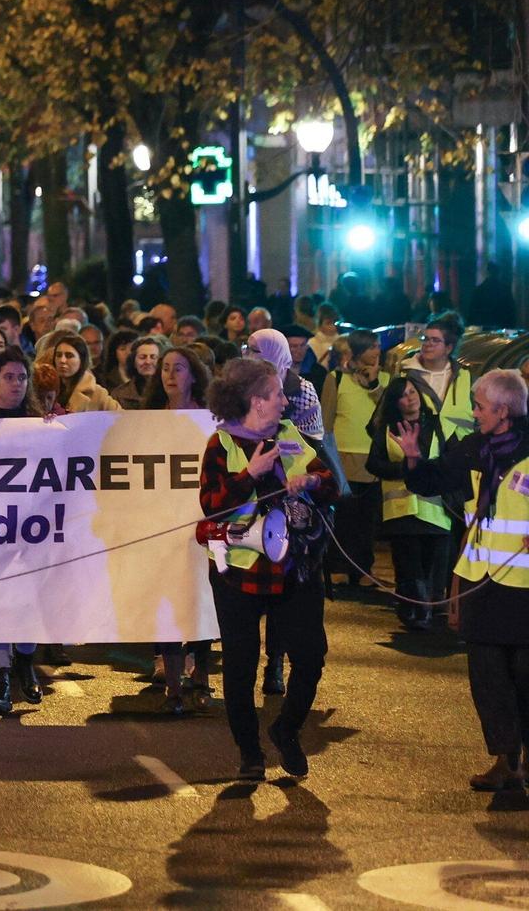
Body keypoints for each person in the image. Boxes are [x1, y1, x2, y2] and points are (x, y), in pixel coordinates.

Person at [198, 356, 338, 781]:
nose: (284, 400)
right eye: (277, 394)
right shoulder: (220, 445)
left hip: (294, 566)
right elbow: (211, 506)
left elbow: (331, 482)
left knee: (311, 655)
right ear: (256, 400)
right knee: (240, 664)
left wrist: (312, 481)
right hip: (239, 571)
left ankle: (287, 729)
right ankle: (249, 752)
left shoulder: (291, 433)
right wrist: (250, 474)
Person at [396, 369, 529, 792]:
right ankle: (507, 763)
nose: (473, 413)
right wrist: (413, 457)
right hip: (482, 582)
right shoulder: (475, 448)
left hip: (525, 590)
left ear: (503, 410)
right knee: (488, 679)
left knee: (525, 678)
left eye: (479, 406)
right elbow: (433, 481)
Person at [0, 348, 49, 713]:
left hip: (31, 529)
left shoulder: (40, 423)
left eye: (22, 378)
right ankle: (0, 679)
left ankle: (25, 660)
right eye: (9, 377)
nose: (17, 384)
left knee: (28, 600)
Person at [142, 345, 215, 713]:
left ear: (194, 374)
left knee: (201, 596)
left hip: (201, 521)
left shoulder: (210, 419)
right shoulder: (147, 420)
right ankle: (173, 686)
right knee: (167, 600)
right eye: (165, 368)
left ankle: (202, 674)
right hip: (161, 523)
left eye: (179, 368)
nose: (170, 374)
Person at [365, 374, 451, 632]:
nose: (410, 398)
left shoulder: (436, 426)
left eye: (413, 392)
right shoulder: (387, 429)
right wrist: (405, 468)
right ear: (395, 402)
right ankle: (415, 610)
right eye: (403, 395)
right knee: (407, 564)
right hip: (401, 512)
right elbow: (374, 464)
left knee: (430, 564)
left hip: (434, 512)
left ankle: (425, 607)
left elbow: (447, 460)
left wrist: (422, 469)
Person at [321, 335, 384, 596]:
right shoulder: (336, 379)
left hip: (374, 459)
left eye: (378, 346)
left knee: (367, 520)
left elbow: (386, 412)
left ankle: (364, 569)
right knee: (344, 517)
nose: (377, 351)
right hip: (344, 458)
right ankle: (339, 566)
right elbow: (325, 422)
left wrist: (374, 384)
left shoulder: (387, 379)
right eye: (371, 346)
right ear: (357, 351)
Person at [409, 311, 476, 444]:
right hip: (416, 455)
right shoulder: (407, 375)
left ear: (448, 348)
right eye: (425, 339)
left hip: (457, 456)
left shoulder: (466, 378)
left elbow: (481, 419)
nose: (428, 344)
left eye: (435, 340)